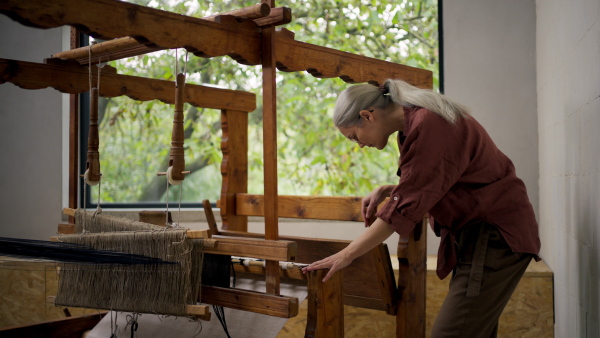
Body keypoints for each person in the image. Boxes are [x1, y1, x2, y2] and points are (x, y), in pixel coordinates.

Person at [301, 79, 541, 337]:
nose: (358, 145)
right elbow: (438, 180)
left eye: (353, 136)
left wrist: (345, 255)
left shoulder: (429, 123)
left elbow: (403, 210)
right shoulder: (415, 125)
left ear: (367, 116)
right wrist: (392, 189)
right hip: (479, 236)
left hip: (494, 235)